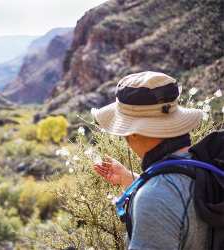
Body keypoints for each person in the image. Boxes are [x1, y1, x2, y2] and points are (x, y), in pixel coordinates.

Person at [91, 71, 224, 250]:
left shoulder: (154, 200)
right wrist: (130, 180)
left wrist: (149, 192)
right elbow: (184, 200)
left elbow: (165, 201)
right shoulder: (207, 162)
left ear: (133, 132)